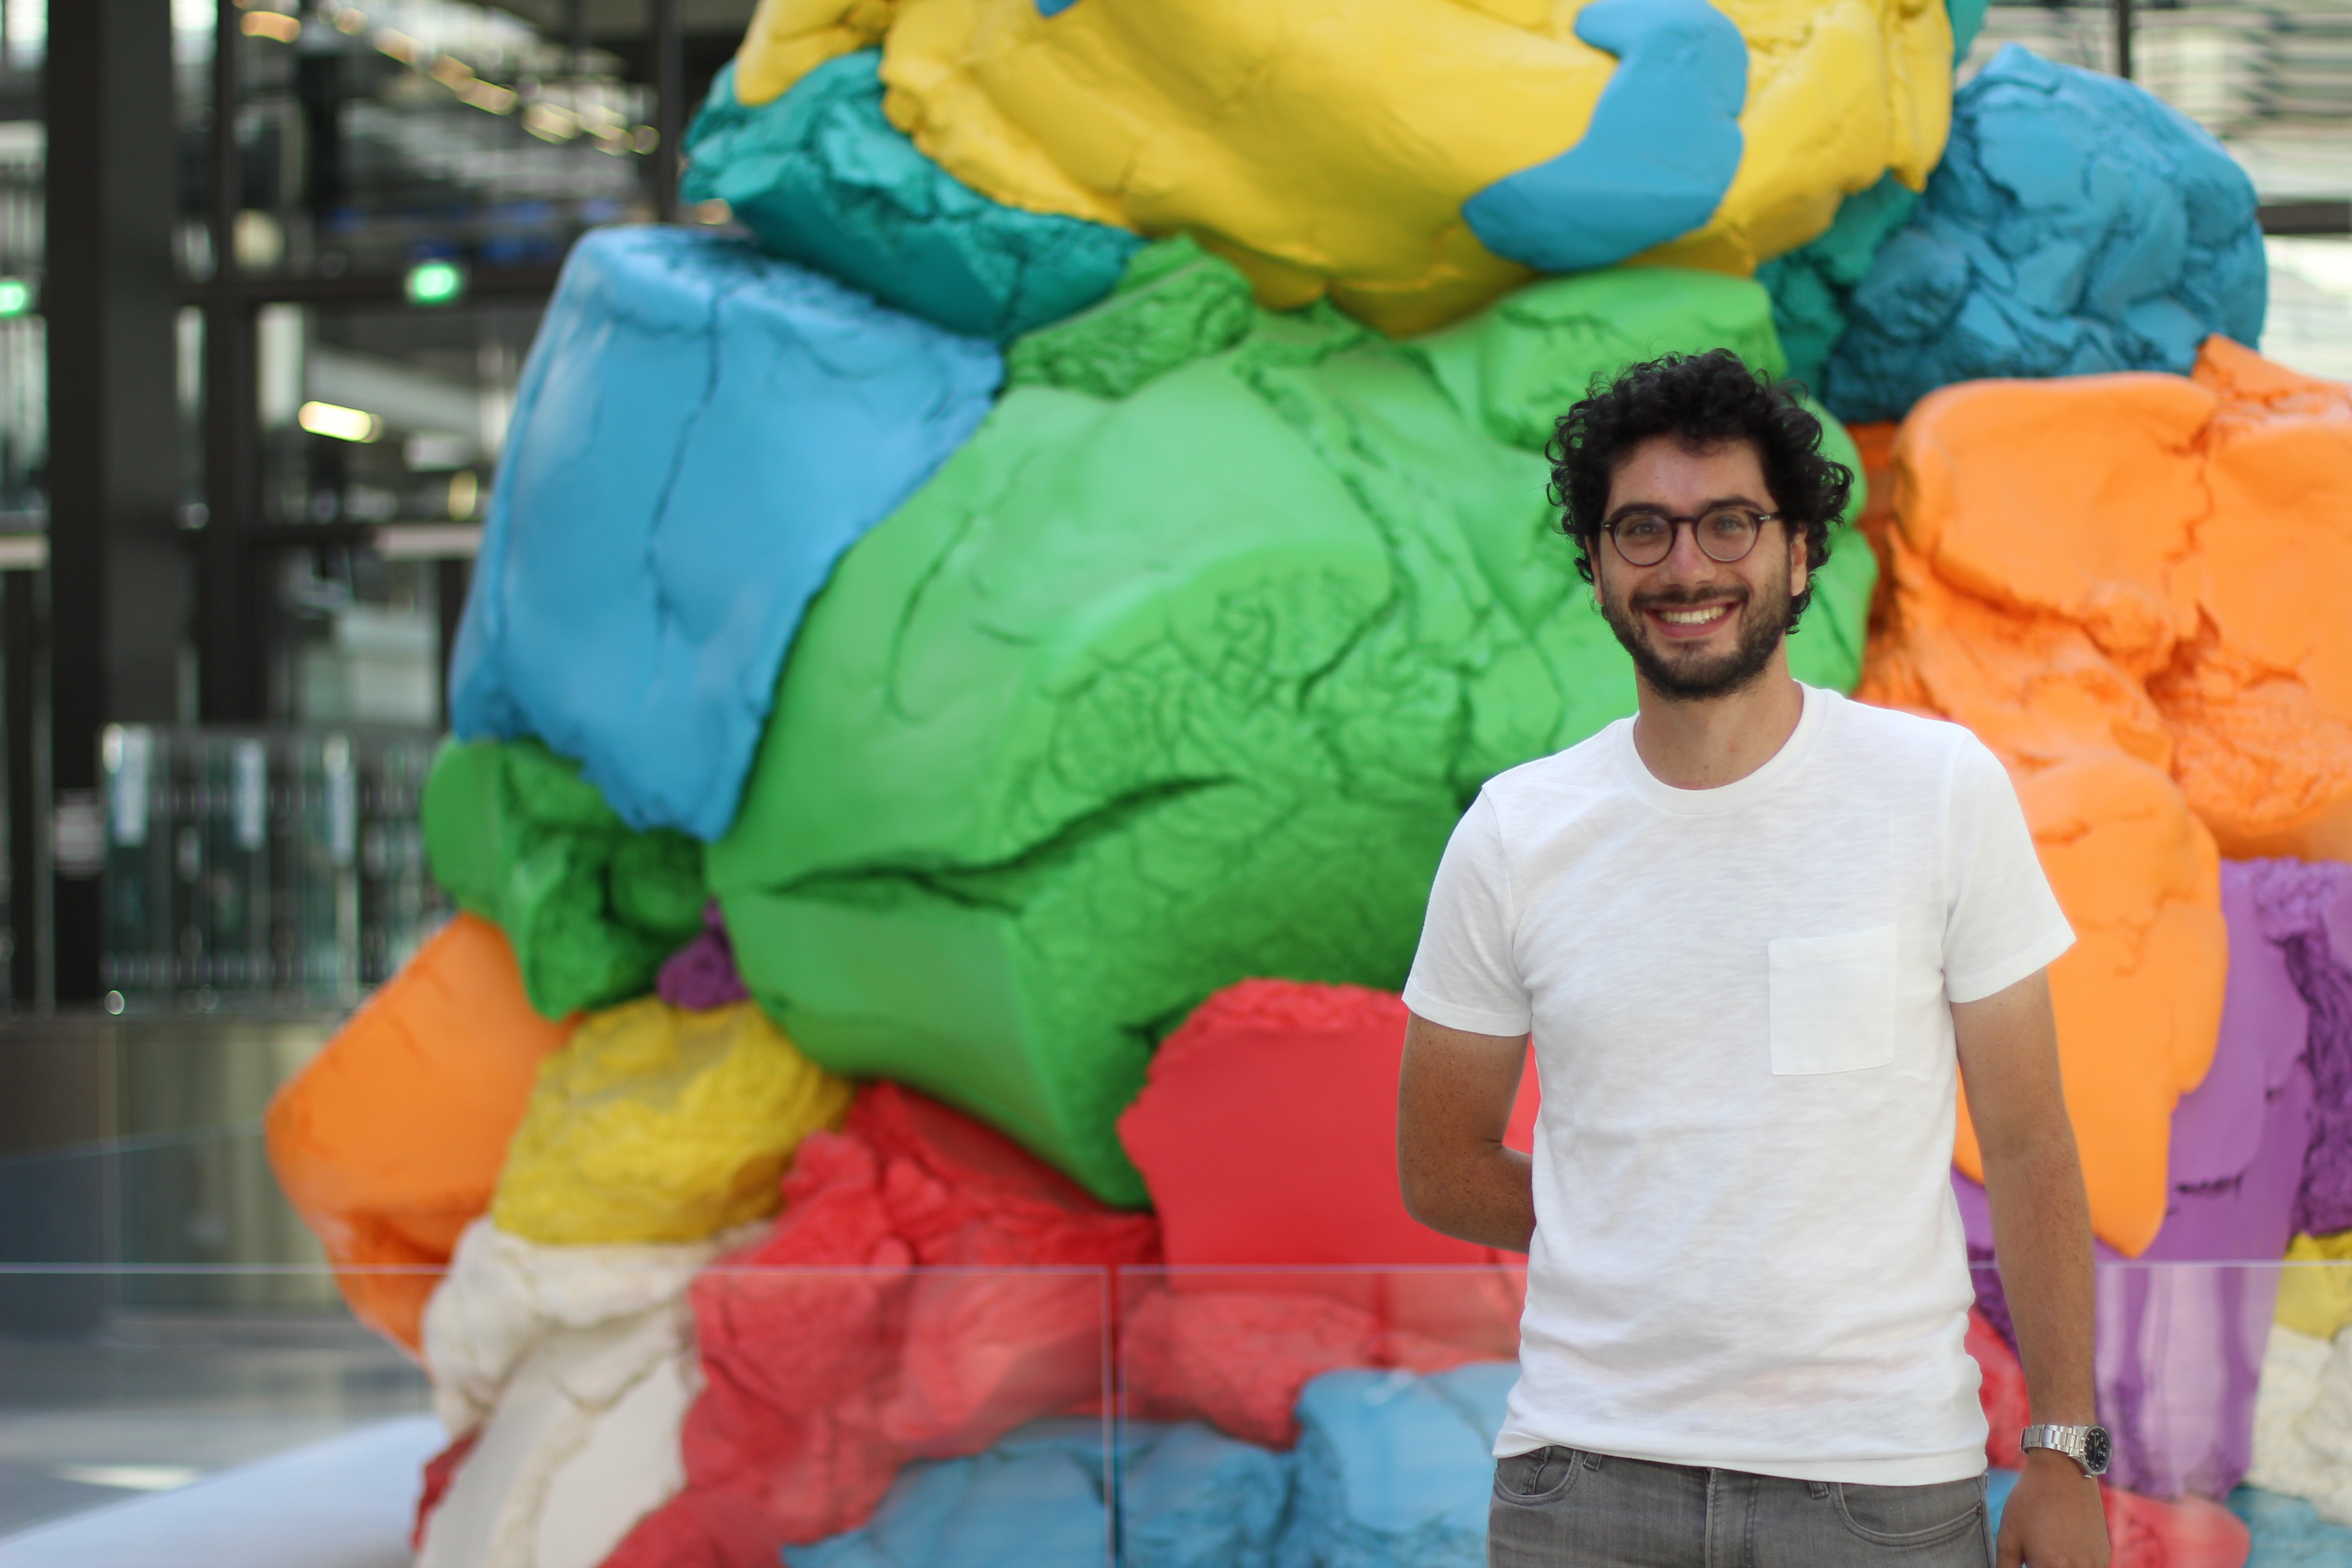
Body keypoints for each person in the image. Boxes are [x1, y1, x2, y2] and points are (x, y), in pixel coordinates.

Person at [1396, 349, 2112, 1568]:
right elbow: (1440, 1165)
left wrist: (2064, 1450)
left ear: (1799, 550)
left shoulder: (1938, 792)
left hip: (1878, 1484)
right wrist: (1643, 1232)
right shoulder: (1515, 833)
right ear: (1597, 565)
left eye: (1729, 523)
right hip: (1586, 1482)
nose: (1687, 566)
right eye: (1643, 531)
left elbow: (2034, 1141)